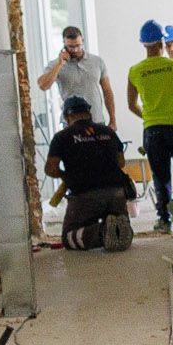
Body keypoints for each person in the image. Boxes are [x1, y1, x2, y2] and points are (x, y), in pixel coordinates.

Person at [43, 96, 133, 251]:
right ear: (89, 113)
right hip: (117, 193)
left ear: (67, 116)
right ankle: (118, 229)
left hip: (85, 195)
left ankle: (101, 232)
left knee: (69, 237)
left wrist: (66, 176)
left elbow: (50, 169)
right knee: (118, 226)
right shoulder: (108, 132)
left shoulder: (62, 137)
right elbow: (121, 163)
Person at [126, 19, 173, 234]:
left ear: (143, 44)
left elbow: (131, 105)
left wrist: (150, 117)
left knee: (161, 178)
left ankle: (164, 220)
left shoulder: (135, 71)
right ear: (162, 42)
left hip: (152, 130)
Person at [36, 25, 116, 129]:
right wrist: (60, 64)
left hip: (96, 120)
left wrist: (113, 120)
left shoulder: (97, 61)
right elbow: (43, 85)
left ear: (82, 41)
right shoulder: (55, 64)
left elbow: (107, 91)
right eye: (71, 47)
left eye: (78, 45)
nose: (75, 50)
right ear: (64, 44)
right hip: (70, 123)